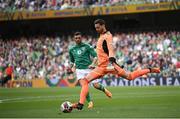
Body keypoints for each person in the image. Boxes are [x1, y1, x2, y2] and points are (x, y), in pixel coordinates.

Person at [72, 19, 160, 110]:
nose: (97, 29)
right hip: (103, 66)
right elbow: (104, 52)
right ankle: (80, 104)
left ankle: (150, 70)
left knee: (129, 77)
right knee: (85, 81)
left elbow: (110, 49)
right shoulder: (102, 36)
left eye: (98, 27)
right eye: (95, 28)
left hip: (106, 66)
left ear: (103, 25)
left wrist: (112, 60)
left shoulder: (107, 36)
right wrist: (96, 64)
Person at [69, 32, 112, 109]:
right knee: (84, 86)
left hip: (88, 69)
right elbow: (72, 61)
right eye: (76, 38)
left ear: (81, 38)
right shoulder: (71, 50)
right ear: (74, 39)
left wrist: (93, 64)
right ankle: (90, 102)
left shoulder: (87, 46)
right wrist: (72, 68)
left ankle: (104, 90)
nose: (77, 39)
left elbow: (95, 56)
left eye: (79, 38)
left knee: (95, 85)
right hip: (79, 70)